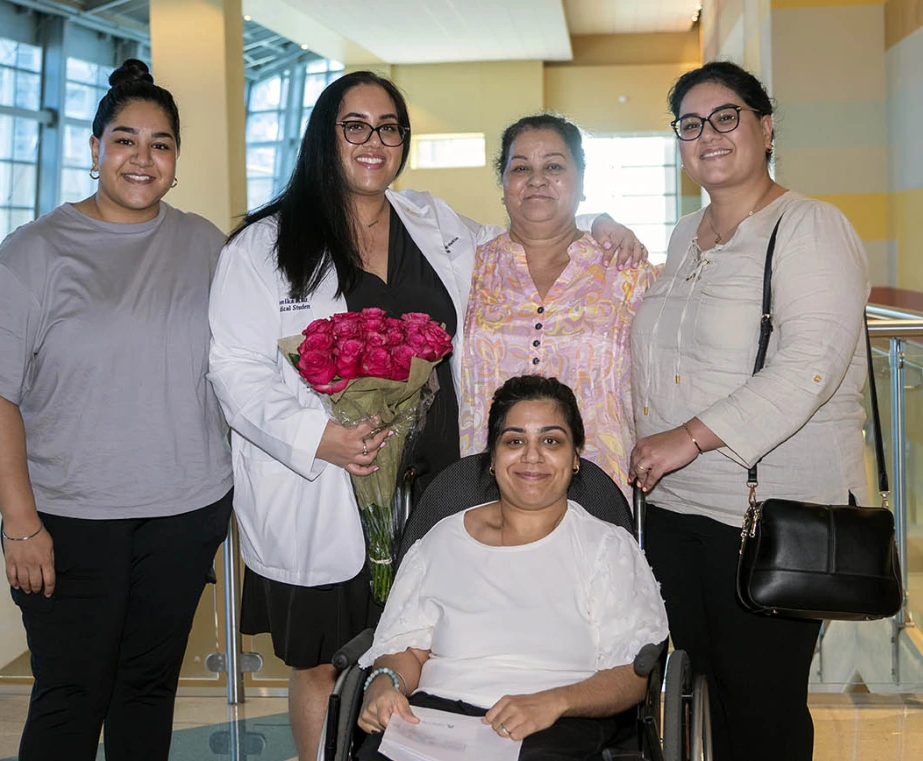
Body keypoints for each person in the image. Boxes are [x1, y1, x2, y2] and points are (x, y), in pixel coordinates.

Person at [207, 71, 645, 761]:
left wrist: (602, 223)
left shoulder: (431, 223)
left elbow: (530, 227)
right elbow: (233, 370)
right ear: (325, 135)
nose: (374, 142)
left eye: (389, 128)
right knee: (326, 659)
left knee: (426, 648)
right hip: (327, 488)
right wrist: (322, 439)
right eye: (355, 126)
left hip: (440, 491)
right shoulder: (262, 248)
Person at [0, 60, 233, 761]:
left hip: (184, 512)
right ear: (95, 148)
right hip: (69, 521)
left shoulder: (204, 244)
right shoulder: (34, 253)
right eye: (125, 140)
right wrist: (21, 524)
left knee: (148, 687)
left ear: (175, 159)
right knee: (71, 694)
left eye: (160, 143)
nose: (143, 158)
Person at [627, 61, 870, 761]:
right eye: (690, 124)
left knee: (761, 703)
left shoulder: (809, 227)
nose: (708, 134)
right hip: (675, 510)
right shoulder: (682, 235)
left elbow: (811, 366)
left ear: (765, 128)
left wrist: (692, 437)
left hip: (767, 515)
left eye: (726, 116)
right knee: (701, 691)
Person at [356, 375, 669, 761]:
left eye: (551, 440)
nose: (532, 456)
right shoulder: (440, 542)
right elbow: (405, 647)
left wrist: (553, 702)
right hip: (437, 721)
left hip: (556, 723)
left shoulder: (605, 548)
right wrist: (385, 684)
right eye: (515, 441)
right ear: (493, 457)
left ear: (575, 458)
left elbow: (635, 673)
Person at [460, 114, 657, 494]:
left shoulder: (628, 272)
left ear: (582, 182)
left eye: (553, 166)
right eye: (521, 168)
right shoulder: (466, 270)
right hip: (485, 494)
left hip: (599, 493)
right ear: (502, 184)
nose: (537, 179)